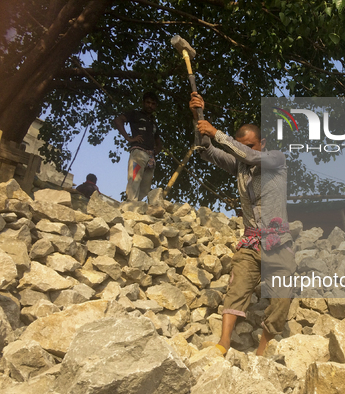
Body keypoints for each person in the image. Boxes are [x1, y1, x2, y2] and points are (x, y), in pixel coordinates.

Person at [189, 92, 296, 356]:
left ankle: (262, 349)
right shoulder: (240, 165)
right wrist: (198, 117)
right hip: (250, 241)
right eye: (242, 145)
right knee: (237, 287)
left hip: (278, 242)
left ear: (263, 143)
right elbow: (206, 151)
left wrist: (217, 133)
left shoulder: (276, 159)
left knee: (282, 296)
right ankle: (223, 343)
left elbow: (247, 156)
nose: (247, 150)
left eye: (251, 145)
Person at [114, 91, 163, 201]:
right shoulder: (135, 114)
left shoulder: (153, 123)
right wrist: (129, 138)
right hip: (138, 154)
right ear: (143, 103)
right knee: (134, 181)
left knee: (145, 187)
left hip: (150, 157)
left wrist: (156, 150)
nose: (150, 105)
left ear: (156, 106)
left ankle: (137, 208)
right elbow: (118, 120)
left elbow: (159, 142)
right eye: (148, 102)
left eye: (153, 104)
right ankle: (131, 206)